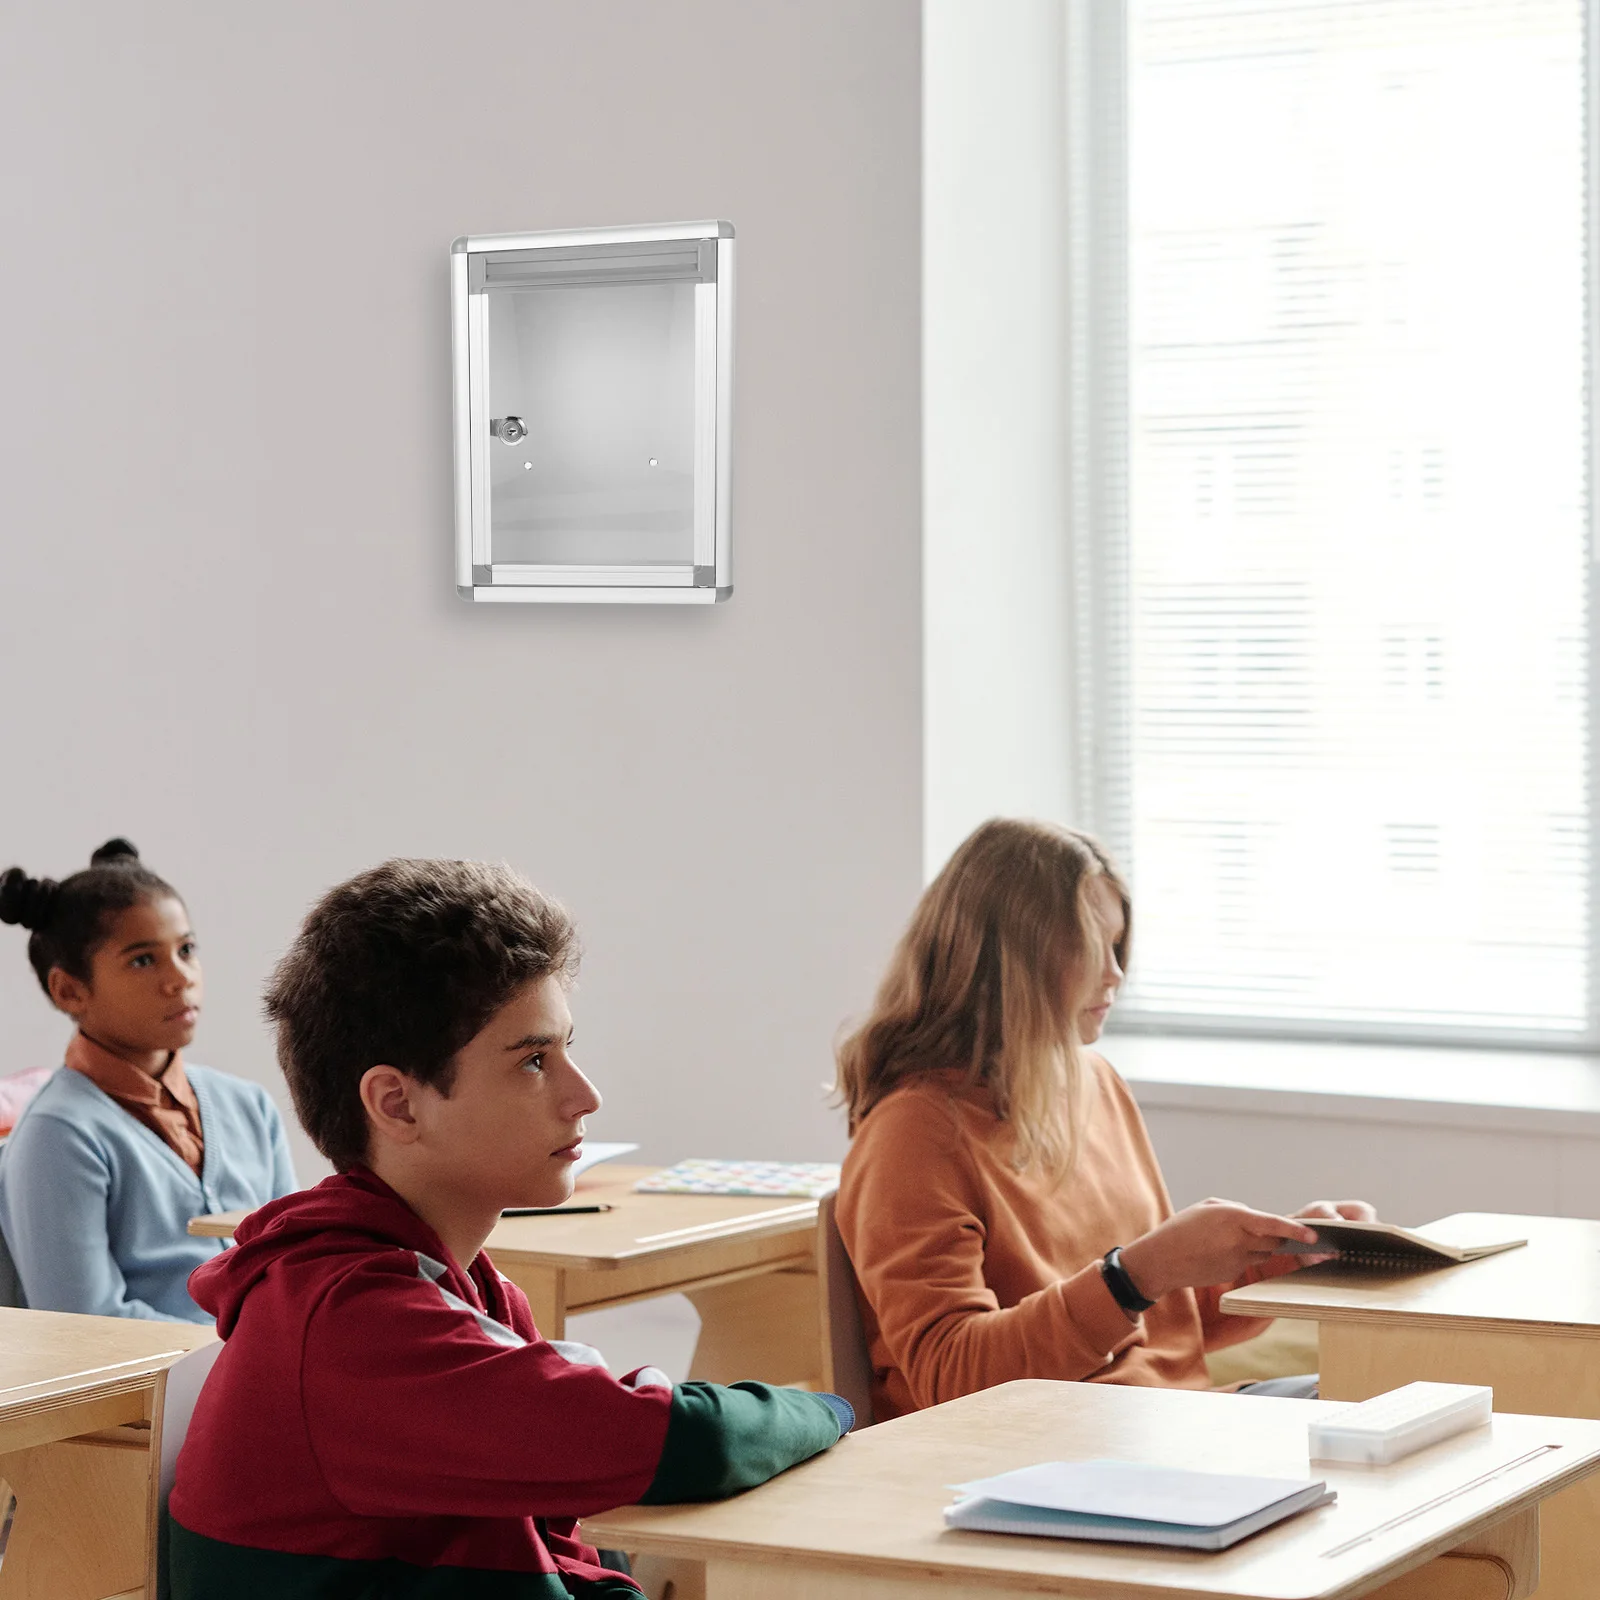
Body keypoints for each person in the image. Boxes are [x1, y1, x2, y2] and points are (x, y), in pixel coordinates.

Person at [169, 858, 850, 1600]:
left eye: (566, 1049)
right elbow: (690, 1441)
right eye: (532, 1061)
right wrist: (838, 1411)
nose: (584, 1095)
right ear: (397, 1104)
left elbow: (563, 1543)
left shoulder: (464, 1286)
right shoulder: (351, 1323)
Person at [834, 817, 1374, 1421]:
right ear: (1007, 962)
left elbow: (1162, 1327)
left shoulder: (1094, 1082)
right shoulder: (914, 1134)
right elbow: (953, 1378)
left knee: (1409, 1400)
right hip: (1052, 1445)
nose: (1115, 974)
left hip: (1169, 1417)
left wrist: (1284, 1256)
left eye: (1116, 946)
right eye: (1088, 949)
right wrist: (1134, 1274)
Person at [0, 839, 295, 1322]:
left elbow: (296, 1264)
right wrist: (246, 1349)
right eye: (143, 960)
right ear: (69, 990)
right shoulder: (57, 1135)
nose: (181, 977)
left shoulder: (250, 1106)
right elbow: (87, 1322)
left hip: (273, 1360)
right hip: (177, 1374)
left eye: (186, 950)